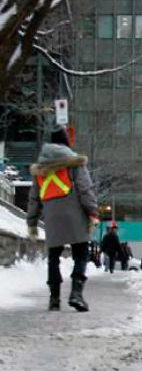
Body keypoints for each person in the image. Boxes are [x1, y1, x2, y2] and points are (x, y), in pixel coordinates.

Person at [26, 127, 98, 312]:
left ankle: (54, 298)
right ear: (66, 143)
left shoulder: (40, 169)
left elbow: (34, 198)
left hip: (51, 215)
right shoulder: (75, 163)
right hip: (74, 211)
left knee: (53, 257)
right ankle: (76, 293)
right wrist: (92, 212)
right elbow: (84, 189)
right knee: (81, 253)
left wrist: (32, 223)